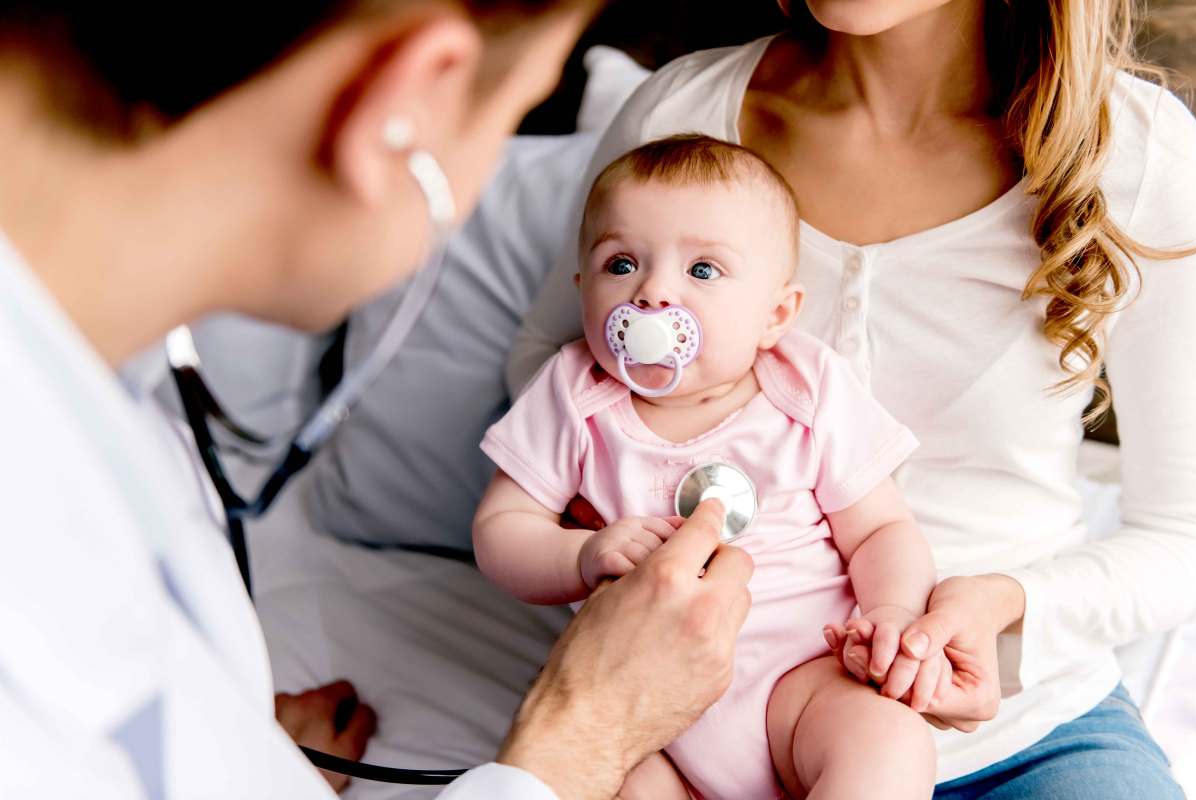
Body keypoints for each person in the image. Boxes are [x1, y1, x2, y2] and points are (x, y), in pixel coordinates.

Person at [0, 2, 755, 798]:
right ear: (404, 106)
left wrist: (238, 763)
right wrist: (583, 733)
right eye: (512, 112)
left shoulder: (112, 408)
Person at [508, 1, 1196, 797]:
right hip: (681, 727)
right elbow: (546, 368)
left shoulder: (1136, 153)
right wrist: (616, 545)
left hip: (1023, 733)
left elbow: (1184, 535)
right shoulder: (684, 116)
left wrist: (1003, 613)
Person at [474, 134, 941, 799]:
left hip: (803, 680)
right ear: (583, 292)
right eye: (621, 264)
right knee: (615, 785)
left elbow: (879, 531)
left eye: (702, 271)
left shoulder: (806, 390)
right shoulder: (575, 395)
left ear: (775, 315)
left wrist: (892, 610)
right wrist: (580, 555)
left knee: (888, 740)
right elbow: (502, 528)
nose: (653, 294)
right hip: (640, 708)